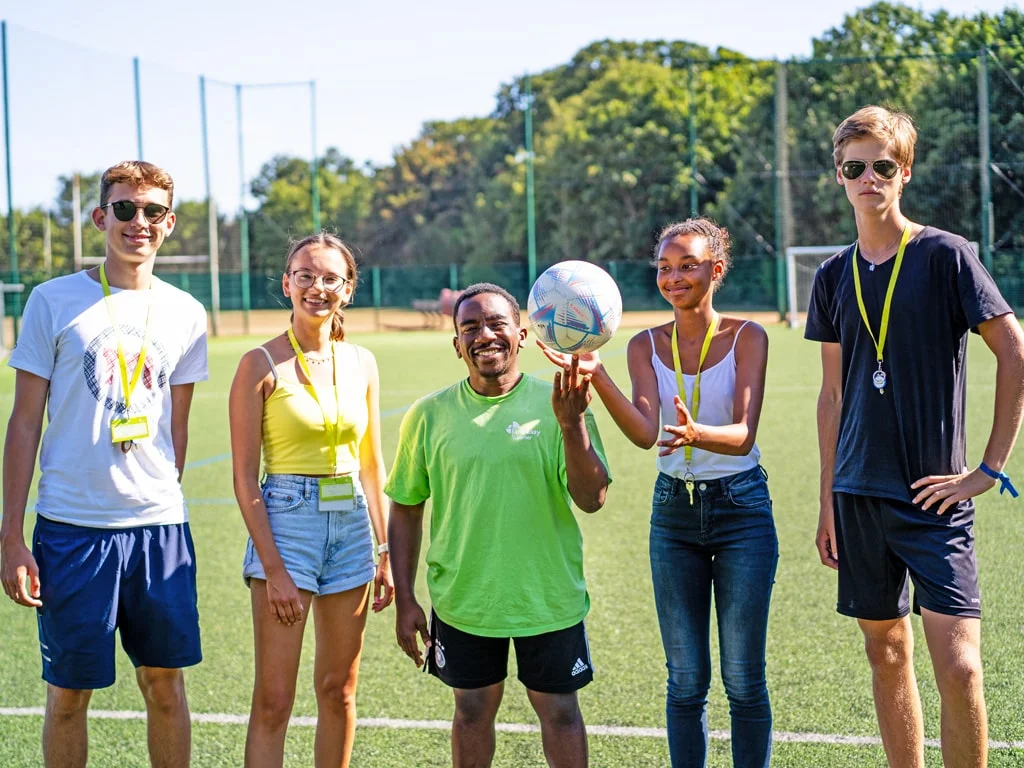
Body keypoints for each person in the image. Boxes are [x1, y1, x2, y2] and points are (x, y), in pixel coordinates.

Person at [806, 105, 1024, 768]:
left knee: (960, 667)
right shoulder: (831, 275)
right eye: (854, 168)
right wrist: (826, 500)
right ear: (839, 177)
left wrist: (987, 468)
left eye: (882, 165)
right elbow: (833, 396)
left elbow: (1014, 352)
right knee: (886, 650)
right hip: (858, 496)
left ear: (904, 172)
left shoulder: (945, 256)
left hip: (935, 497)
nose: (867, 178)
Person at [539, 219, 776, 767]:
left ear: (716, 270)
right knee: (685, 680)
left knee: (744, 679)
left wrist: (697, 434)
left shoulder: (749, 336)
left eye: (688, 265)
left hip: (742, 509)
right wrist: (596, 375)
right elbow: (646, 433)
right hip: (673, 514)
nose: (674, 277)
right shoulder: (643, 345)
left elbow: (743, 435)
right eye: (665, 268)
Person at [0, 161, 208, 767]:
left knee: (165, 687)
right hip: (71, 530)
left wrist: (154, 493)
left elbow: (178, 427)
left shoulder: (187, 312)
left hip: (159, 530)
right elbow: (23, 423)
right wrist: (11, 536)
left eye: (152, 211)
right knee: (68, 697)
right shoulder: (52, 300)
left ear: (169, 223)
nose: (138, 222)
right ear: (100, 217)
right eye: (125, 209)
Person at [387, 282, 610, 768]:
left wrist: (572, 424)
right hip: (465, 599)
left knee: (561, 713)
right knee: (470, 712)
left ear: (522, 335)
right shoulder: (428, 415)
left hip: (546, 596)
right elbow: (406, 507)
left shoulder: (562, 402)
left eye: (496, 324)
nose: (484, 335)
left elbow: (592, 499)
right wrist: (405, 598)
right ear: (457, 344)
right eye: (470, 327)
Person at [228, 232, 393, 768]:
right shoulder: (258, 364)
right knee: (274, 700)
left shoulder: (362, 361)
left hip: (352, 527)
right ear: (286, 284)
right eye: (305, 275)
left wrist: (385, 550)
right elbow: (244, 479)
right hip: (286, 523)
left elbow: (372, 465)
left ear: (348, 290)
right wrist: (273, 569)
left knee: (338, 690)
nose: (316, 287)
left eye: (330, 278)